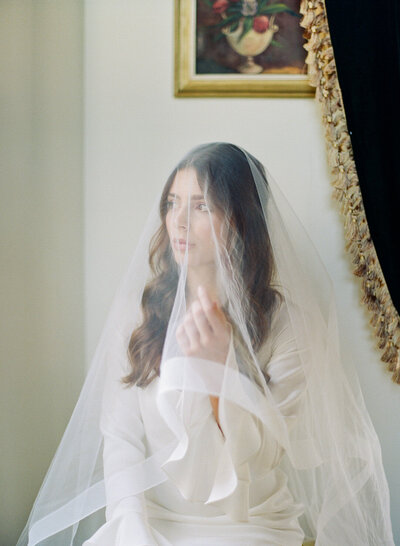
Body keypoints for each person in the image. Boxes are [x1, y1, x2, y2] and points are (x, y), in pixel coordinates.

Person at [18, 143, 394, 546]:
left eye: (200, 206)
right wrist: (131, 524)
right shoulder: (138, 314)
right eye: (172, 203)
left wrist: (223, 371)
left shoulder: (289, 327)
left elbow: (264, 455)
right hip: (152, 518)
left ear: (240, 220)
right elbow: (120, 435)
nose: (177, 222)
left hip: (249, 524)